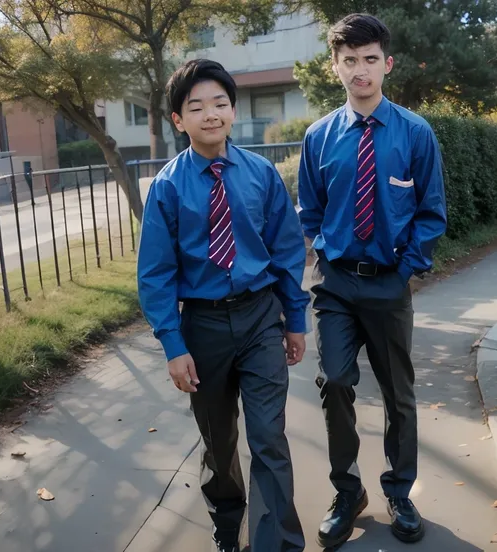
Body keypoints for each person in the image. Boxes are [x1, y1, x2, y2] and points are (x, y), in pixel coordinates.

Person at [137, 58, 309, 552]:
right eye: (196, 107)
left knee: (269, 439)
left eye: (219, 103)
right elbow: (155, 274)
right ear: (178, 119)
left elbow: (286, 251)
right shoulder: (168, 187)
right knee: (219, 442)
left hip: (259, 319)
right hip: (203, 327)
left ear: (232, 110)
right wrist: (173, 344)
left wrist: (294, 320)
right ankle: (229, 521)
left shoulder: (261, 175)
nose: (210, 114)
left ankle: (277, 543)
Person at [297, 13, 448, 548]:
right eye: (348, 60)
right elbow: (309, 210)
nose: (359, 70)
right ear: (334, 66)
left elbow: (431, 213)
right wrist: (322, 253)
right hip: (336, 285)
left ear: (387, 63)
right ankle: (347, 491)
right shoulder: (318, 137)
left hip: (389, 284)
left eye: (369, 59)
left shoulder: (415, 133)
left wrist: (405, 268)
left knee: (397, 394)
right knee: (336, 382)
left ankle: (400, 490)